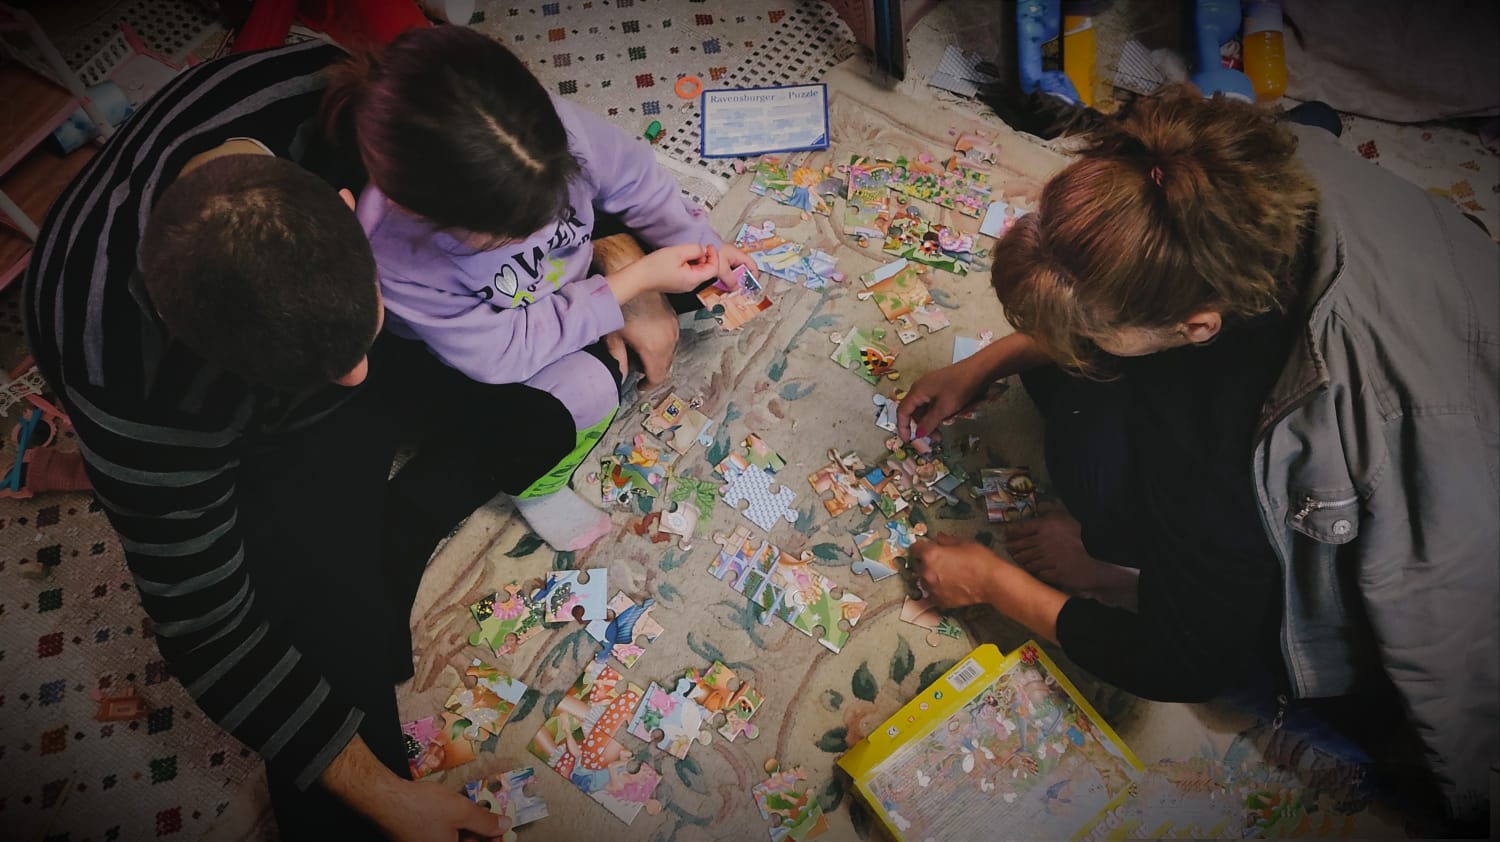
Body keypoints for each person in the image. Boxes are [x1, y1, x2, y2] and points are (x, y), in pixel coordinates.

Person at [20, 38, 689, 841]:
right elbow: (208, 628)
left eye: (363, 328)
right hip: (256, 434)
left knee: (618, 349)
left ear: (354, 204)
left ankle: (411, 504)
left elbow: (549, 168)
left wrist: (622, 262)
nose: (358, 378)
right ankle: (389, 521)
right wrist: (388, 799)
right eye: (327, 368)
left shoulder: (345, 105)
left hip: (401, 323)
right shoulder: (136, 393)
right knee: (332, 632)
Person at [899, 87, 1497, 829]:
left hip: (1424, 589)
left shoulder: (1228, 460)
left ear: (1197, 326)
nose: (1070, 343)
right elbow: (1114, 299)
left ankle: (1134, 570)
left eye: (1092, 327)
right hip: (1447, 328)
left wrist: (991, 581)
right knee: (1074, 378)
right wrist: (982, 364)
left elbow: (1180, 664)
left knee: (1088, 451)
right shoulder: (1246, 168)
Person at [325, 27, 750, 552]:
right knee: (589, 391)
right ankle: (535, 487)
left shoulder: (541, 130)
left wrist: (702, 244)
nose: (541, 231)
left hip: (567, 294)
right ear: (415, 211)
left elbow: (636, 182)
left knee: (693, 283)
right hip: (481, 351)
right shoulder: (395, 255)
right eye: (507, 234)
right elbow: (505, 354)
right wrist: (630, 285)